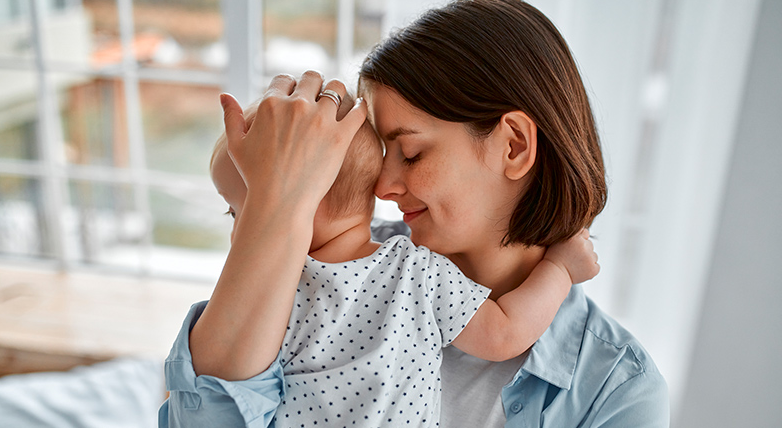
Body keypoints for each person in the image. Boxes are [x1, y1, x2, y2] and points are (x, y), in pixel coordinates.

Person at [161, 0, 669, 428]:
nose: (381, 185)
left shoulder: (615, 392)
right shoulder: (316, 258)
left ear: (513, 146)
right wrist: (278, 198)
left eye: (412, 152)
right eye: (382, 152)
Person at [161, 92, 597, 427]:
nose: (242, 233)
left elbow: (225, 396)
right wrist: (560, 269)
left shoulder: (271, 294)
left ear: (301, 199)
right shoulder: (418, 272)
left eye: (242, 212)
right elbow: (505, 334)